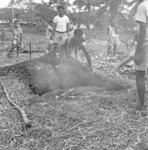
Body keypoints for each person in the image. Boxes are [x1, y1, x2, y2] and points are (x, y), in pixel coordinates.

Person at [134, 0, 148, 110]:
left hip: (145, 43)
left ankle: (141, 104)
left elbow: (143, 29)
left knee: (139, 74)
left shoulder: (142, 6)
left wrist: (138, 51)